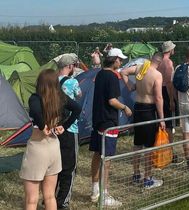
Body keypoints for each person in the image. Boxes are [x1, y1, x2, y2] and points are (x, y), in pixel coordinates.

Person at [20, 69, 80, 210]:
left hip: (37, 148)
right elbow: (77, 108)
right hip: (54, 147)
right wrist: (65, 126)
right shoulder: (60, 97)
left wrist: (42, 125)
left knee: (31, 199)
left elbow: (35, 110)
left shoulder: (36, 97)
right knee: (49, 196)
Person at [89, 48, 132, 207]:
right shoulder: (113, 77)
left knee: (97, 154)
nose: (121, 62)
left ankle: (95, 190)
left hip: (98, 119)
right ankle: (104, 194)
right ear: (114, 60)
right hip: (108, 121)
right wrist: (125, 108)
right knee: (107, 159)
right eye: (120, 60)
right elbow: (112, 100)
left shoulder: (100, 74)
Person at [121, 53, 166, 189]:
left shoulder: (141, 67)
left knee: (137, 144)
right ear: (160, 63)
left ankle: (136, 175)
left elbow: (123, 71)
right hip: (148, 110)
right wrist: (162, 118)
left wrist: (130, 85)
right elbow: (158, 98)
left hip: (138, 107)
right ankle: (147, 179)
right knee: (148, 146)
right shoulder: (157, 75)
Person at [56, 54, 83, 209]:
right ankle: (63, 202)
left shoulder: (51, 82)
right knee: (69, 167)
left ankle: (49, 197)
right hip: (69, 128)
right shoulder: (73, 81)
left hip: (54, 127)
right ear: (70, 67)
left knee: (55, 166)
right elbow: (79, 95)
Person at [158, 40, 183, 164]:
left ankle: (164, 150)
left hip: (159, 91)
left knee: (163, 122)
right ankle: (170, 153)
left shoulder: (158, 62)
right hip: (166, 92)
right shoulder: (168, 62)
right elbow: (168, 83)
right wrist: (172, 99)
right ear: (169, 50)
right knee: (169, 125)